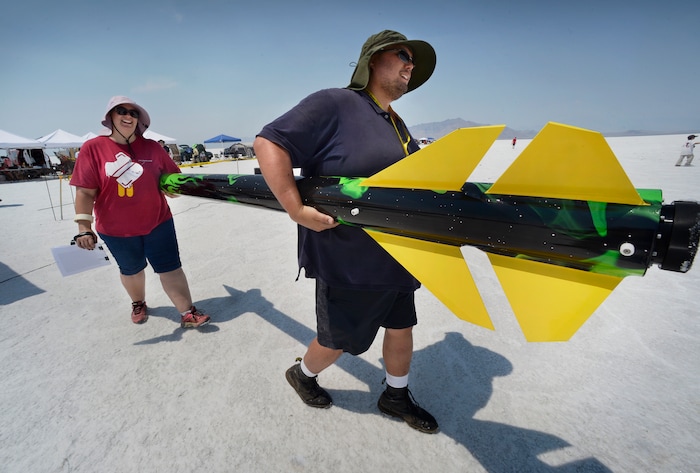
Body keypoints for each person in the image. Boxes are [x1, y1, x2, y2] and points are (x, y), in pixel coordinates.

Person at [254, 30, 439, 433]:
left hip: (396, 254)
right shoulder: (335, 103)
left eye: (414, 61)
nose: (411, 64)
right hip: (349, 259)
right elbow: (270, 142)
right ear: (373, 60)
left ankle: (395, 394)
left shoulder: (396, 123)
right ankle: (302, 374)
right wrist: (293, 207)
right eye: (403, 55)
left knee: (401, 325)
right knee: (336, 340)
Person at [70, 96, 211, 329]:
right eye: (121, 111)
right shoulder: (92, 148)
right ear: (110, 117)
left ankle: (188, 312)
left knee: (171, 268)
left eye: (133, 113)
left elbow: (172, 179)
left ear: (139, 120)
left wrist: (181, 188)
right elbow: (85, 192)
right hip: (115, 230)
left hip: (158, 222)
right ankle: (138, 302)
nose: (128, 116)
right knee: (132, 270)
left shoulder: (153, 147)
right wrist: (83, 227)